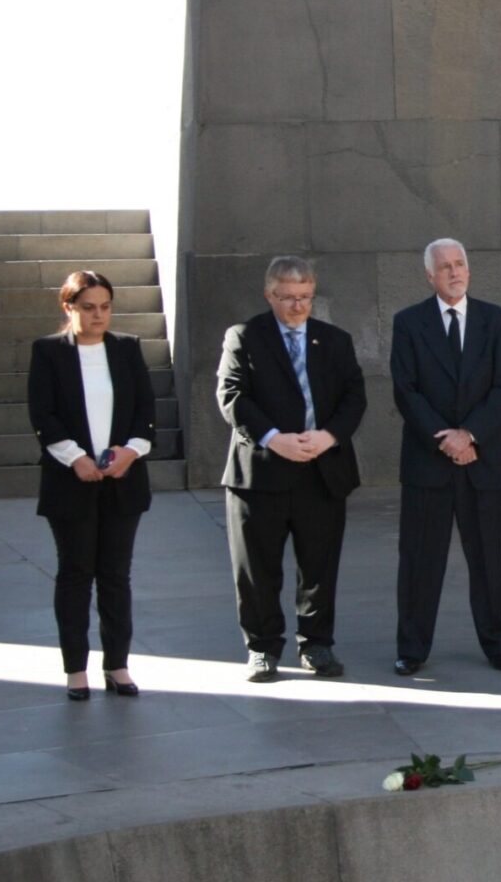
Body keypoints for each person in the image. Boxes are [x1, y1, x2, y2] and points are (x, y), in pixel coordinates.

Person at [216, 256, 366, 682]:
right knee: (257, 568)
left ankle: (316, 644)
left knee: (319, 565)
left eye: (305, 298)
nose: (298, 306)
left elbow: (354, 397)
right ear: (269, 295)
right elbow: (232, 395)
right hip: (261, 473)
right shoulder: (244, 337)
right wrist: (273, 438)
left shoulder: (334, 341)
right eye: (288, 298)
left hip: (322, 470)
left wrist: (329, 436)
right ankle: (262, 648)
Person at [390, 239, 501, 675]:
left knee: (488, 559)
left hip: (482, 462)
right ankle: (411, 648)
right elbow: (406, 391)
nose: (453, 271)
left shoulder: (498, 321)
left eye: (460, 263)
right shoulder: (408, 324)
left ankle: (500, 644)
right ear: (429, 276)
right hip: (428, 464)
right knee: (420, 560)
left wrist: (470, 436)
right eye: (443, 266)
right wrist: (444, 440)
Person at [28, 270, 156, 700]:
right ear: (69, 308)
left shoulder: (126, 349)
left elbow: (145, 412)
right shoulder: (48, 352)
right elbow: (43, 415)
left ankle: (117, 666)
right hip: (71, 482)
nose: (98, 315)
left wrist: (130, 452)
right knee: (76, 574)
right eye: (88, 307)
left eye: (105, 306)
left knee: (116, 575)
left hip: (123, 481)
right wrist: (75, 458)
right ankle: (75, 671)